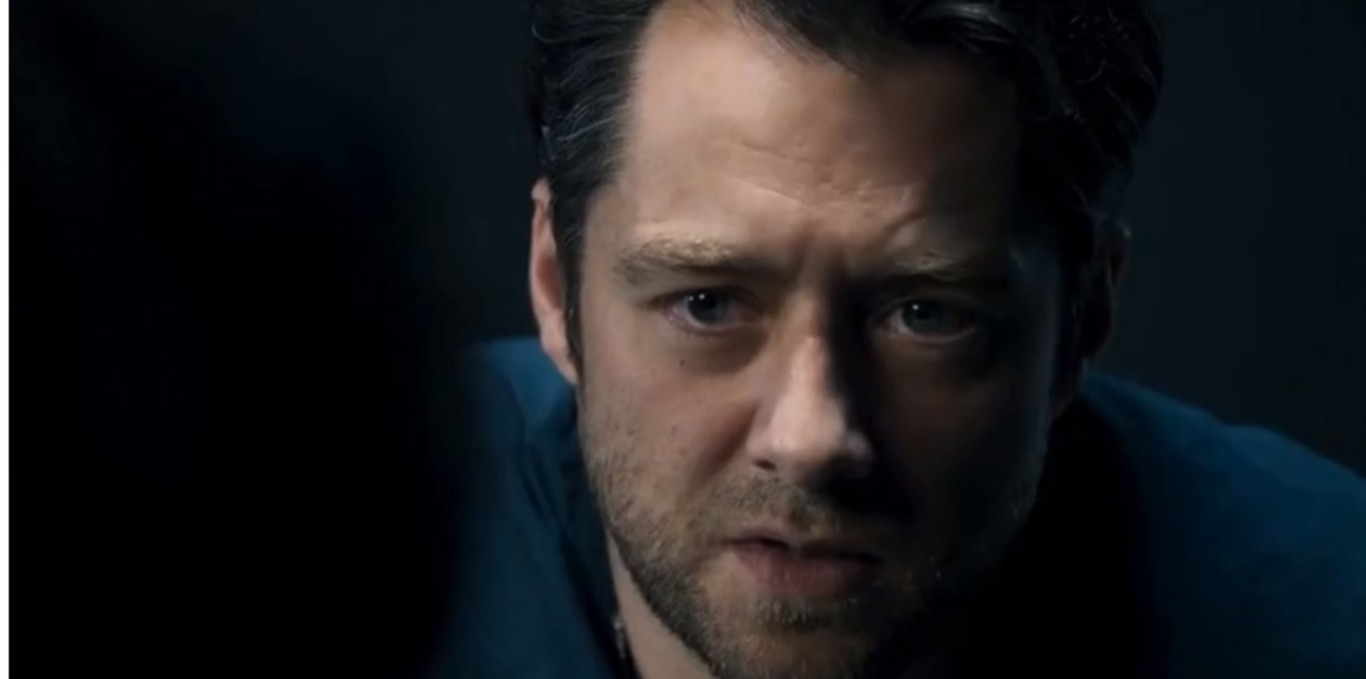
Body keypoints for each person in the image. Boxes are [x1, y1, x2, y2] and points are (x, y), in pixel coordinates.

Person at [431, 1, 1366, 677]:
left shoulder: (1328, 617)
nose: (812, 436)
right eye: (708, 303)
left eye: (928, 314)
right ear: (555, 284)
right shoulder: (366, 542)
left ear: (1083, 320)